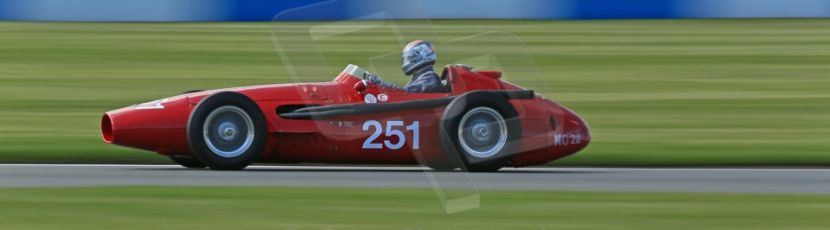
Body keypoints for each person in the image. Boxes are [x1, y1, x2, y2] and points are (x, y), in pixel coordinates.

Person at [364, 40, 443, 93]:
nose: (407, 60)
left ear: (421, 56)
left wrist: (380, 83)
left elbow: (405, 93)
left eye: (409, 57)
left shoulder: (429, 78)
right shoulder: (419, 77)